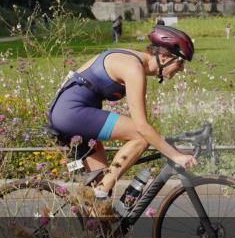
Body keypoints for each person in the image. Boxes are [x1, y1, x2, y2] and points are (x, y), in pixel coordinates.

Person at [47, 25, 197, 210]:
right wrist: (176, 155)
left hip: (70, 113)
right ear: (164, 57)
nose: (181, 70)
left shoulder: (131, 60)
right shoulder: (133, 68)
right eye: (180, 63)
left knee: (102, 193)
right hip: (71, 113)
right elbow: (142, 127)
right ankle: (100, 193)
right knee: (141, 137)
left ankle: (95, 234)